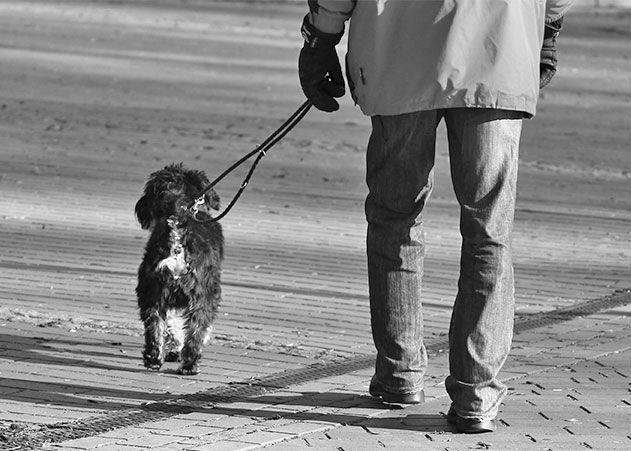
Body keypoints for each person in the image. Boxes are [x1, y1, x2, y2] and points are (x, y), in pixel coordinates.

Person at [298, 0, 572, 434]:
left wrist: (322, 34)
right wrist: (550, 26)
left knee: (395, 215)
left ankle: (399, 372)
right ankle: (476, 393)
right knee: (489, 231)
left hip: (398, 48)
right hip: (496, 49)